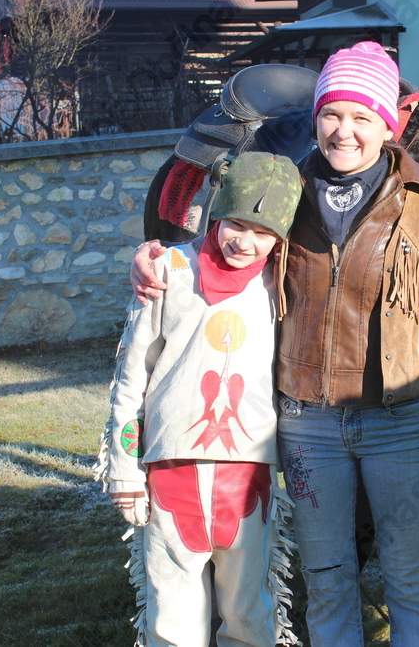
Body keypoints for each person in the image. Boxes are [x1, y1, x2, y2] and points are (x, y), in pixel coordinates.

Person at [131, 42, 419, 647]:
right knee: (328, 580)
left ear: (386, 125)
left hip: (397, 424)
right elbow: (225, 247)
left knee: (411, 579)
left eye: (361, 116)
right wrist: (156, 257)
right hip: (308, 428)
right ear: (316, 118)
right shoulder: (288, 189)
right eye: (332, 113)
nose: (344, 130)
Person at [94, 152, 303, 647]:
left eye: (263, 232)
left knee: (249, 608)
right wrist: (125, 469)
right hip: (171, 468)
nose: (245, 242)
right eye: (236, 224)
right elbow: (132, 376)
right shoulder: (167, 271)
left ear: (281, 239)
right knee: (172, 610)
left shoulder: (285, 282)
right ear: (217, 213)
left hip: (249, 473)